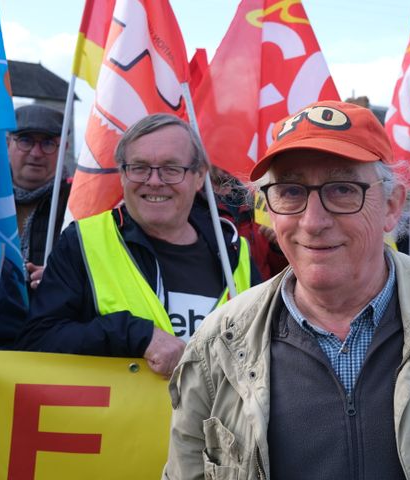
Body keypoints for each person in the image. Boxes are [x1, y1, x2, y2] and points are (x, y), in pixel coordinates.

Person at [163, 100, 410, 479]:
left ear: (392, 206)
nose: (312, 222)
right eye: (291, 191)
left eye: (343, 189)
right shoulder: (217, 345)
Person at [16, 114, 257, 377]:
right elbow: (36, 341)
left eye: (171, 168)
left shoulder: (235, 253)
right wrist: (134, 335)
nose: (154, 181)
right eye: (139, 167)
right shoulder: (83, 242)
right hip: (121, 418)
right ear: (122, 174)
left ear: (199, 177)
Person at [8, 104, 70, 295]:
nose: (36, 153)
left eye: (48, 143)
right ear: (7, 143)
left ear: (64, 148)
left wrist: (66, 278)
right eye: (25, 141)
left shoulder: (79, 206)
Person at [211, 167, 288, 280]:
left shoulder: (258, 196)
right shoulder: (197, 204)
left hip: (262, 293)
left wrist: (278, 247)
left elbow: (279, 273)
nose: (223, 166)